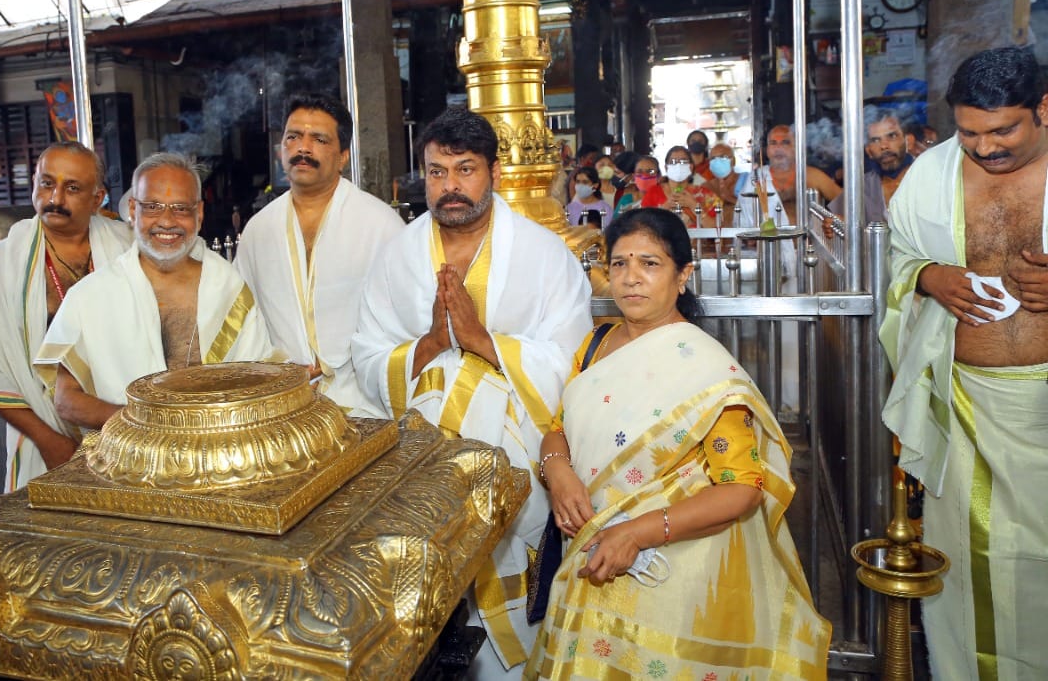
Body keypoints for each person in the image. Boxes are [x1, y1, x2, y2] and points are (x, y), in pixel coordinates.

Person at [526, 208, 830, 679]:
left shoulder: (704, 370)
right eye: (620, 264)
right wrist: (558, 471)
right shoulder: (595, 345)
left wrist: (638, 531)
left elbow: (742, 487)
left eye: (650, 264)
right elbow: (558, 427)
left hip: (671, 566)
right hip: (589, 549)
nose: (631, 279)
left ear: (683, 275)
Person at [351, 110, 592, 677]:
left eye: (465, 170)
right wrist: (434, 343)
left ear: (494, 173)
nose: (450, 186)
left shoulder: (544, 254)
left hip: (516, 465)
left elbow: (574, 361)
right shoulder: (397, 257)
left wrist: (485, 343)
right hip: (423, 470)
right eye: (436, 172)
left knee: (517, 619)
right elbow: (365, 355)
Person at [880, 45, 1048, 680]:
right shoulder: (934, 172)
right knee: (970, 565)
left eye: (1004, 129)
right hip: (966, 407)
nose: (985, 148)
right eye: (970, 132)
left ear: (1043, 108)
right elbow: (897, 257)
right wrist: (928, 276)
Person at [36, 152, 273, 429]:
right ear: (133, 211)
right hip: (128, 464)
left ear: (199, 213)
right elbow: (65, 400)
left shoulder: (228, 289)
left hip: (218, 459)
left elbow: (260, 381)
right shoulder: (91, 297)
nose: (167, 221)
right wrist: (151, 428)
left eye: (180, 208)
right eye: (153, 207)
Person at [0, 142, 132, 491]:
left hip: (125, 432)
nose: (55, 197)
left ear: (97, 197)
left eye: (72, 188)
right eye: (46, 183)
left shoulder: (128, 250)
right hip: (44, 437)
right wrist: (49, 440)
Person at [236, 93, 403, 416]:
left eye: (319, 139)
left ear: (343, 155)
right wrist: (276, 370)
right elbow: (244, 321)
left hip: (365, 402)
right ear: (280, 149)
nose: (303, 148)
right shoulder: (258, 230)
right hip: (284, 403)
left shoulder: (381, 225)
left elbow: (405, 323)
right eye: (293, 137)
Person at [739, 124, 842, 230]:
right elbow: (742, 217)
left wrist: (838, 220)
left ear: (796, 148)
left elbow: (848, 207)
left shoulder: (812, 176)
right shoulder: (756, 178)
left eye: (785, 142)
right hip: (767, 244)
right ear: (767, 150)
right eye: (773, 143)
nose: (778, 148)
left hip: (808, 244)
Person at [827, 107, 913, 231]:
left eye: (892, 136)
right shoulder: (862, 186)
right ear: (869, 151)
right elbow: (840, 222)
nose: (884, 146)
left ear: (908, 141)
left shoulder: (925, 177)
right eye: (876, 140)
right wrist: (838, 224)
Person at [643, 145, 721, 227]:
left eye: (683, 162)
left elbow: (717, 231)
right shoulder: (653, 192)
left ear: (690, 167)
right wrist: (664, 208)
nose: (678, 165)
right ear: (666, 168)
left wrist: (693, 205)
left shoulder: (705, 194)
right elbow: (641, 226)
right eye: (673, 162)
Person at [703, 141, 742, 212]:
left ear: (733, 161)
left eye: (722, 157)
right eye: (713, 158)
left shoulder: (745, 181)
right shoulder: (706, 187)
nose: (717, 161)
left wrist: (729, 198)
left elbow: (754, 209)